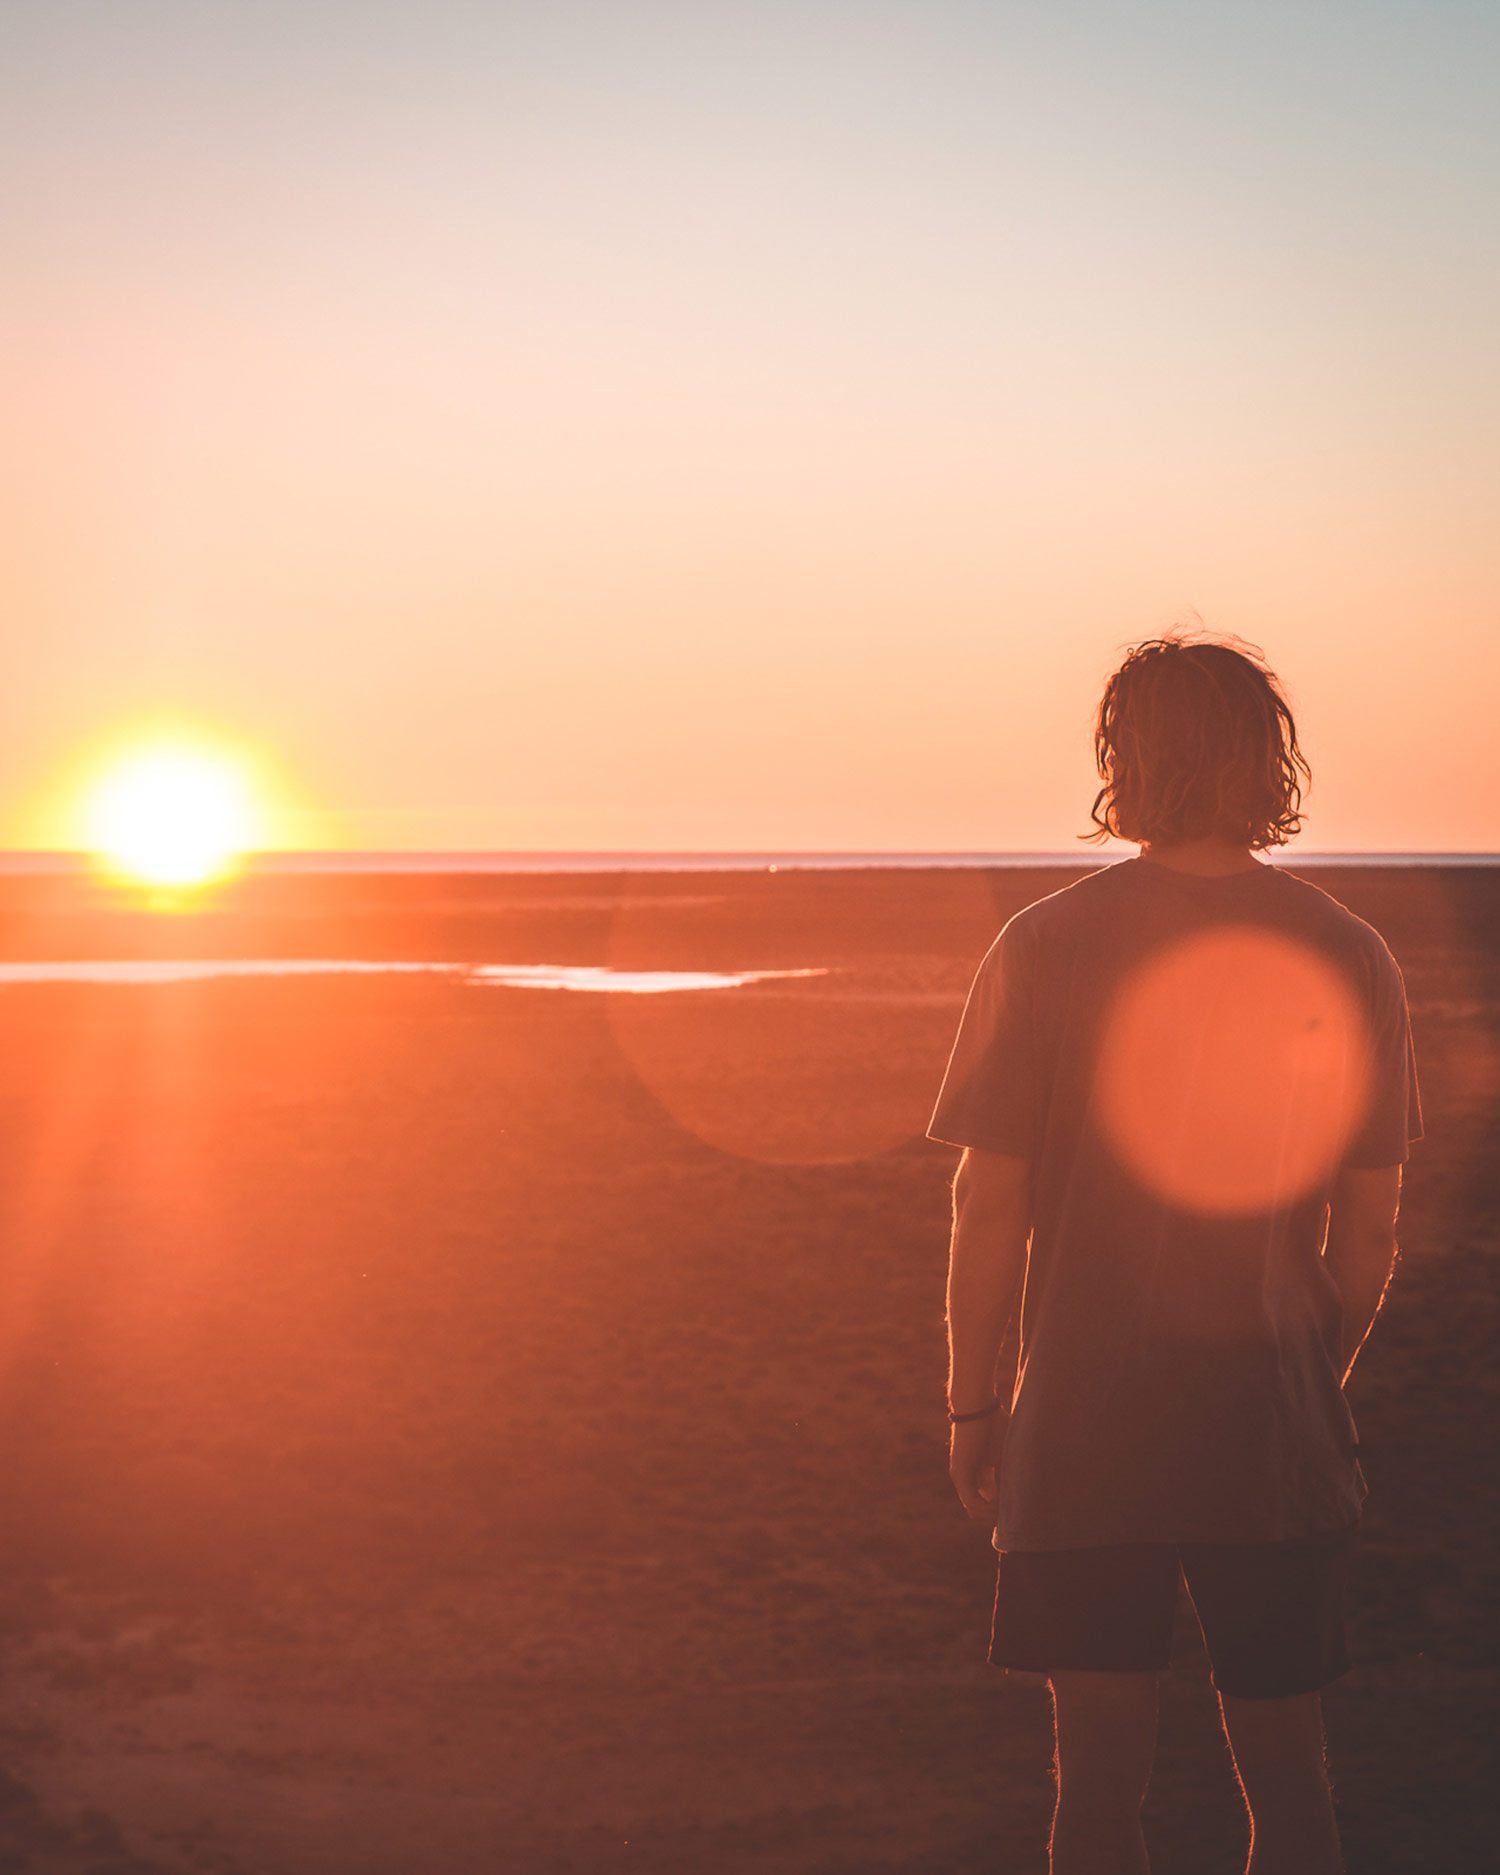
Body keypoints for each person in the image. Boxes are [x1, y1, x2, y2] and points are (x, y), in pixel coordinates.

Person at [927, 633, 1422, 1875]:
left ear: (1123, 759)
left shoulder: (1043, 945)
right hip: (1271, 1425)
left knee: (1098, 1796)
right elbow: (1371, 1228)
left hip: (1086, 1431)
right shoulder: (1349, 950)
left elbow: (988, 1206)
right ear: (1268, 760)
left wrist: (974, 1404)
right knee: (1293, 1791)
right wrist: (1320, 1365)